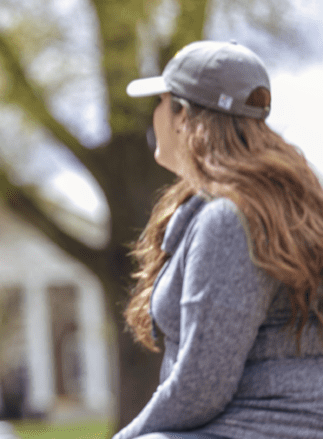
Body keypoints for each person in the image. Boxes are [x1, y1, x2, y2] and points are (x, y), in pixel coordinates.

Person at [117, 40, 323, 439]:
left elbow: (202, 388)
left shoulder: (230, 221)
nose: (154, 115)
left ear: (182, 115)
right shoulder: (263, 208)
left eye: (160, 101)